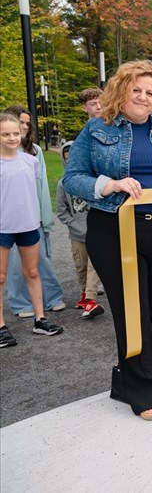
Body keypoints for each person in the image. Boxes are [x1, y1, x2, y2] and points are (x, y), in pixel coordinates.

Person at [62, 60, 152, 421]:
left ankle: (127, 377)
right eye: (135, 89)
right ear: (121, 92)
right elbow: (72, 177)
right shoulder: (95, 131)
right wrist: (110, 185)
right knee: (130, 309)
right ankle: (147, 385)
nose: (142, 97)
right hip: (113, 229)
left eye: (150, 92)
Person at [1, 113, 63, 348]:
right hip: (3, 227)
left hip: (28, 225)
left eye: (16, 133)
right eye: (5, 134)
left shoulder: (31, 161)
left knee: (33, 272)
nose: (12, 138)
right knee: (1, 276)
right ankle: (1, 327)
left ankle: (40, 319)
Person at [57, 142, 104, 318]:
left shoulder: (94, 182)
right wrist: (74, 225)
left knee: (94, 265)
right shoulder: (63, 184)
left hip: (96, 231)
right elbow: (62, 211)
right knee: (82, 266)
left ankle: (90, 299)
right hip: (77, 234)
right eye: (67, 159)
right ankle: (86, 294)